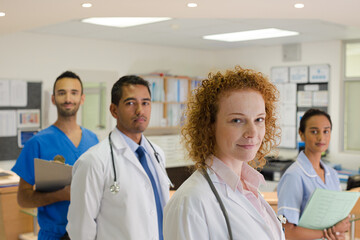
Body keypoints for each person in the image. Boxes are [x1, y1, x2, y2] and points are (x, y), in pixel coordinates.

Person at [163, 66, 285, 240]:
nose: (252, 132)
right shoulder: (191, 202)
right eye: (237, 120)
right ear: (210, 125)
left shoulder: (250, 188)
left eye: (259, 119)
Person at [67, 75, 170, 240]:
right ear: (114, 110)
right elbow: (80, 230)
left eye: (145, 103)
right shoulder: (93, 162)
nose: (140, 110)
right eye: (130, 103)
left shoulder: (156, 154)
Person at [12, 71, 99, 240]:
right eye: (61, 93)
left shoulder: (93, 140)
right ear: (53, 99)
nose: (68, 99)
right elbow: (23, 199)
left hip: (91, 234)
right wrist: (61, 194)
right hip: (55, 235)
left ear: (82, 98)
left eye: (74, 93)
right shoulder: (37, 143)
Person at [277, 108, 350, 240]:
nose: (321, 137)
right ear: (302, 134)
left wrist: (339, 233)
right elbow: (288, 232)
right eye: (314, 131)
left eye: (326, 131)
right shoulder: (294, 175)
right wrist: (330, 232)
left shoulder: (332, 175)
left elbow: (337, 225)